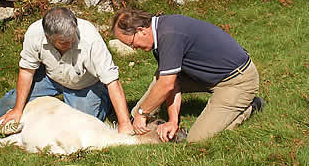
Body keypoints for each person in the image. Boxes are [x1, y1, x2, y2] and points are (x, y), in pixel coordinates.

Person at [112, 8, 265, 143]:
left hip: (237, 81)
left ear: (141, 30)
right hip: (207, 75)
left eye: (131, 43)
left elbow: (167, 85)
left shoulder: (169, 35)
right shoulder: (159, 33)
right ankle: (146, 123)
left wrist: (142, 113)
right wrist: (173, 121)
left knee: (198, 139)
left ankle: (251, 106)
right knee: (160, 79)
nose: (133, 48)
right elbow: (173, 83)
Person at [0, 7, 133, 134]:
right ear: (48, 37)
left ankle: (104, 101)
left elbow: (112, 80)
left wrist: (125, 124)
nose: (70, 43)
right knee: (12, 101)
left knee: (82, 125)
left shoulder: (91, 39)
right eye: (63, 42)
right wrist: (17, 109)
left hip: (84, 85)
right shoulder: (34, 34)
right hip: (50, 78)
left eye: (72, 38)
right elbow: (26, 72)